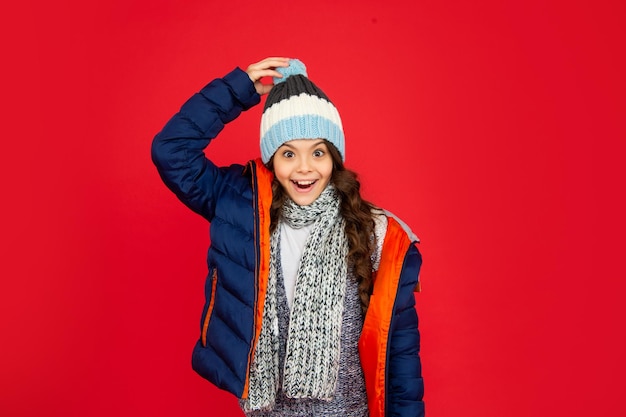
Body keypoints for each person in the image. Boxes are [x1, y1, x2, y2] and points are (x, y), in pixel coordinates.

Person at [151, 57, 424, 417]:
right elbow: (171, 152)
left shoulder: (375, 232)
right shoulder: (242, 209)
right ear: (271, 159)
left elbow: (400, 351)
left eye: (318, 152)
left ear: (335, 158)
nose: (305, 168)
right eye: (289, 153)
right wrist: (238, 90)